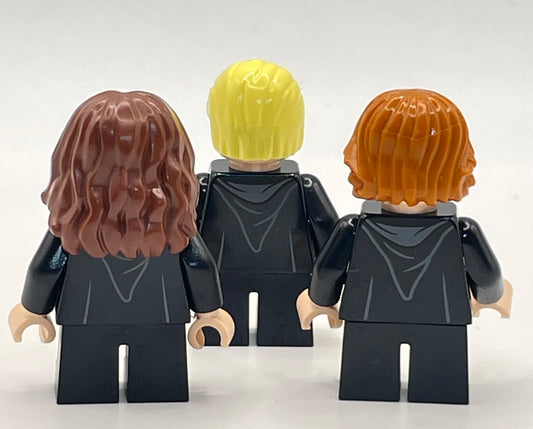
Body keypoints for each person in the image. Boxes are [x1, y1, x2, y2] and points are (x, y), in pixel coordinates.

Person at [8, 90, 234, 404]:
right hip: (159, 314)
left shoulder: (77, 224)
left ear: (75, 159)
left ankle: (93, 391)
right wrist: (209, 310)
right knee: (159, 384)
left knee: (86, 384)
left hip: (87, 316)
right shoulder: (172, 224)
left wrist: (33, 307)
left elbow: (47, 267)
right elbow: (198, 264)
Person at [297, 88, 512, 404]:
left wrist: (321, 300)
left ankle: (369, 389)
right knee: (440, 383)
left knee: (366, 381)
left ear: (364, 158)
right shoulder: (462, 231)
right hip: (443, 317)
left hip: (367, 316)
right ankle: (437, 391)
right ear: (457, 163)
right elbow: (488, 276)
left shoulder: (354, 228)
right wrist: (490, 296)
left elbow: (328, 271)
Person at [198, 59, 338, 346]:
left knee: (248, 333)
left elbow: (184, 240)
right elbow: (332, 241)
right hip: (284, 272)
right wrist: (325, 291)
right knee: (285, 332)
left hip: (227, 274)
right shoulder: (303, 186)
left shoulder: (205, 186)